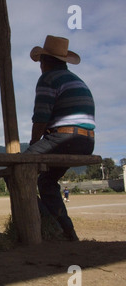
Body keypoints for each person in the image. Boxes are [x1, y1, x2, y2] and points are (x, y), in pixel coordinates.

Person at [24, 35, 96, 241]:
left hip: (64, 138)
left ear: (45, 61)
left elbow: (41, 118)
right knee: (46, 181)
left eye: (41, 62)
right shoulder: (76, 80)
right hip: (87, 141)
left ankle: (52, 227)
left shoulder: (48, 78)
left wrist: (33, 144)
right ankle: (68, 233)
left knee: (17, 171)